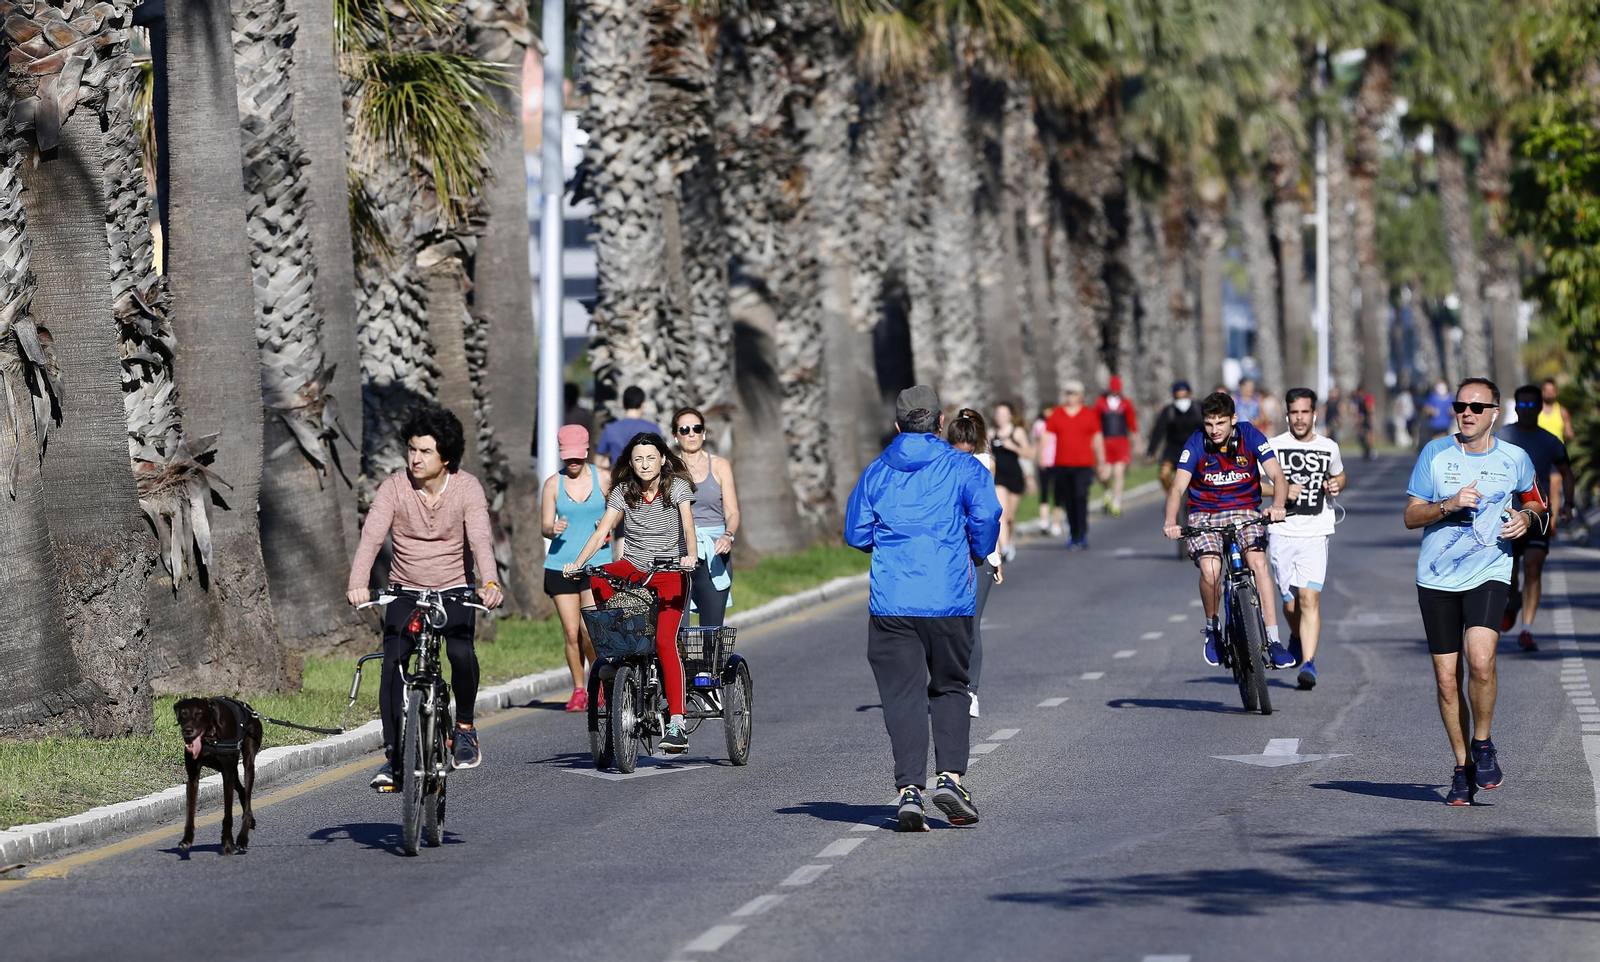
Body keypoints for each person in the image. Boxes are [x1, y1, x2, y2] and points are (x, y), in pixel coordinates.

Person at [845, 386, 1001, 832]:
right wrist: (976, 550)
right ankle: (949, 778)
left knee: (902, 696)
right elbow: (988, 515)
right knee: (951, 686)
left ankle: (908, 789)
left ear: (897, 426)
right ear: (939, 422)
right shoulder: (963, 466)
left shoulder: (876, 472)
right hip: (948, 596)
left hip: (892, 600)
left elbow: (856, 533)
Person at [347, 406, 505, 789]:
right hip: (405, 590)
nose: (415, 458)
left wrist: (491, 583)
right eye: (412, 449)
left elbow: (480, 539)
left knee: (461, 653)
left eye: (425, 452)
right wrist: (358, 582)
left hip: (453, 590)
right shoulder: (395, 487)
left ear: (445, 458)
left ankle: (464, 727)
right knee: (392, 665)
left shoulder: (466, 488)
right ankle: (393, 757)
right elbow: (371, 537)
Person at [1404, 377, 1541, 805]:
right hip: (1436, 578)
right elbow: (1411, 516)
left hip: (1490, 570)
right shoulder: (1435, 453)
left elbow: (1537, 504)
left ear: (1494, 414)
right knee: (1448, 682)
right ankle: (1462, 767)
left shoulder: (1515, 458)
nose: (1467, 413)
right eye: (1461, 405)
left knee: (1480, 662)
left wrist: (1527, 519)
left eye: (1477, 407)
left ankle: (1483, 744)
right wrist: (1448, 505)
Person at [562, 432, 698, 753]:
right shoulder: (624, 490)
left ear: (663, 459)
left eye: (651, 458)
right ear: (631, 463)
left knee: (665, 641)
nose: (645, 464)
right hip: (635, 567)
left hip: (669, 571)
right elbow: (602, 532)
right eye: (638, 459)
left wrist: (688, 556)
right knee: (599, 575)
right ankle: (618, 643)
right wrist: (578, 563)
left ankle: (677, 722)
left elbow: (688, 526)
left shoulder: (675, 487)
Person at [1161, 392, 1294, 670]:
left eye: (1220, 423)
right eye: (1209, 424)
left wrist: (1278, 505)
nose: (1215, 430)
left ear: (1234, 419)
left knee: (1258, 563)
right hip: (1204, 514)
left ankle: (1273, 640)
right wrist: (1171, 521)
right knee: (1210, 571)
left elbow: (1277, 476)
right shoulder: (1196, 442)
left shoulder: (1250, 435)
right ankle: (1212, 629)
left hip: (1245, 510)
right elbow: (1177, 488)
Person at [1262, 388, 1347, 690]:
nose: (1299, 418)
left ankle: (1308, 664)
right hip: (1281, 531)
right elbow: (1254, 484)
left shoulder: (1329, 447)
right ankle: (1296, 637)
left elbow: (1339, 475)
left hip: (1316, 530)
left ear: (1314, 414)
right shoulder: (1271, 446)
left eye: (1304, 412)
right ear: (1287, 414)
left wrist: (1336, 484)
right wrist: (1279, 491)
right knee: (1290, 604)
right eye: (1294, 413)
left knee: (1310, 598)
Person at [1497, 384, 1575, 652]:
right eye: (1523, 405)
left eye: (1533, 405)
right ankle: (1513, 598)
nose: (1528, 410)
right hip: (1507, 514)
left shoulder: (1550, 441)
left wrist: (1569, 504)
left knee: (1533, 566)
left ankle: (1527, 630)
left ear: (1541, 408)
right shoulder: (1502, 436)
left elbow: (1566, 472)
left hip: (1538, 513)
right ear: (1516, 407)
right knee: (1509, 574)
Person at [542, 424, 610, 712]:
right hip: (560, 565)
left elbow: (618, 513)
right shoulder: (552, 484)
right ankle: (579, 689)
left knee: (588, 630)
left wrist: (607, 526)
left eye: (577, 457)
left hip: (595, 564)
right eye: (567, 457)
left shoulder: (603, 478)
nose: (572, 462)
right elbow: (544, 526)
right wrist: (552, 528)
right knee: (571, 633)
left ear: (585, 452)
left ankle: (598, 684)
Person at [948, 409, 1003, 719]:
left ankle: (972, 690)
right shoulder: (942, 464)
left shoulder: (984, 465)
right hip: (958, 552)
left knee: (970, 623)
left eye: (966, 439)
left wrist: (991, 554)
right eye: (958, 439)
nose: (962, 445)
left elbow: (987, 513)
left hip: (978, 552)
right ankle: (956, 685)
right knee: (955, 623)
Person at [673, 407, 740, 627]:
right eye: (684, 429)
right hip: (678, 554)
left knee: (711, 632)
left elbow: (732, 512)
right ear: (675, 435)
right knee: (676, 633)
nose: (691, 433)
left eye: (696, 428)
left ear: (704, 433)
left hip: (713, 553)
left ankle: (710, 663)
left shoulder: (720, 465)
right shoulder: (667, 469)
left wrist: (727, 536)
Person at [1046, 380, 1106, 550]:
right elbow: (1047, 436)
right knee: (1068, 500)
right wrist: (1041, 456)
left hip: (1084, 464)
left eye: (1073, 393)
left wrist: (1101, 460)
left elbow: (1097, 438)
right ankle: (1073, 533)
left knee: (1080, 496)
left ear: (1081, 396)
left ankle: (1082, 532)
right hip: (1062, 464)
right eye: (1068, 393)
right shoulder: (1057, 413)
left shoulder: (1089, 414)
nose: (1070, 397)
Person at [990, 401, 1033, 562]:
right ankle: (1005, 546)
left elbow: (1028, 454)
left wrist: (1013, 447)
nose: (999, 417)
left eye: (1003, 414)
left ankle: (1010, 539)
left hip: (1015, 477)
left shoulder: (1017, 432)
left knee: (1010, 516)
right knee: (1001, 512)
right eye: (997, 414)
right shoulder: (991, 433)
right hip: (998, 477)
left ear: (1010, 416)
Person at [1148, 381, 1204, 493]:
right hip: (1173, 451)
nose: (1182, 401)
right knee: (1164, 474)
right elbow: (1158, 431)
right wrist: (1151, 450)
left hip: (1196, 449)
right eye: (1178, 397)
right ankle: (1172, 497)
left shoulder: (1199, 408)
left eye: (1185, 396)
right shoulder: (1169, 411)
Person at [1095, 376, 1138, 517]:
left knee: (1119, 472)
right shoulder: (1100, 403)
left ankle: (1116, 502)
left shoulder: (1126, 403)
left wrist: (1136, 441)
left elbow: (1132, 423)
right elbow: (1095, 423)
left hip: (1121, 441)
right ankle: (1107, 491)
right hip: (1105, 441)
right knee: (1104, 473)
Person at [594, 386, 665, 469]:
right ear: (643, 404)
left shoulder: (611, 428)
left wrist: (613, 461)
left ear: (623, 404)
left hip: (618, 477)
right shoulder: (653, 428)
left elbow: (599, 461)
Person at [1033, 405, 1061, 537]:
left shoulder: (1058, 424)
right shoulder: (1039, 425)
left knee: (1057, 493)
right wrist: (1038, 457)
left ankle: (1056, 522)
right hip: (1044, 462)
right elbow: (1037, 442)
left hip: (1058, 461)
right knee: (1044, 492)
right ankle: (1044, 520)